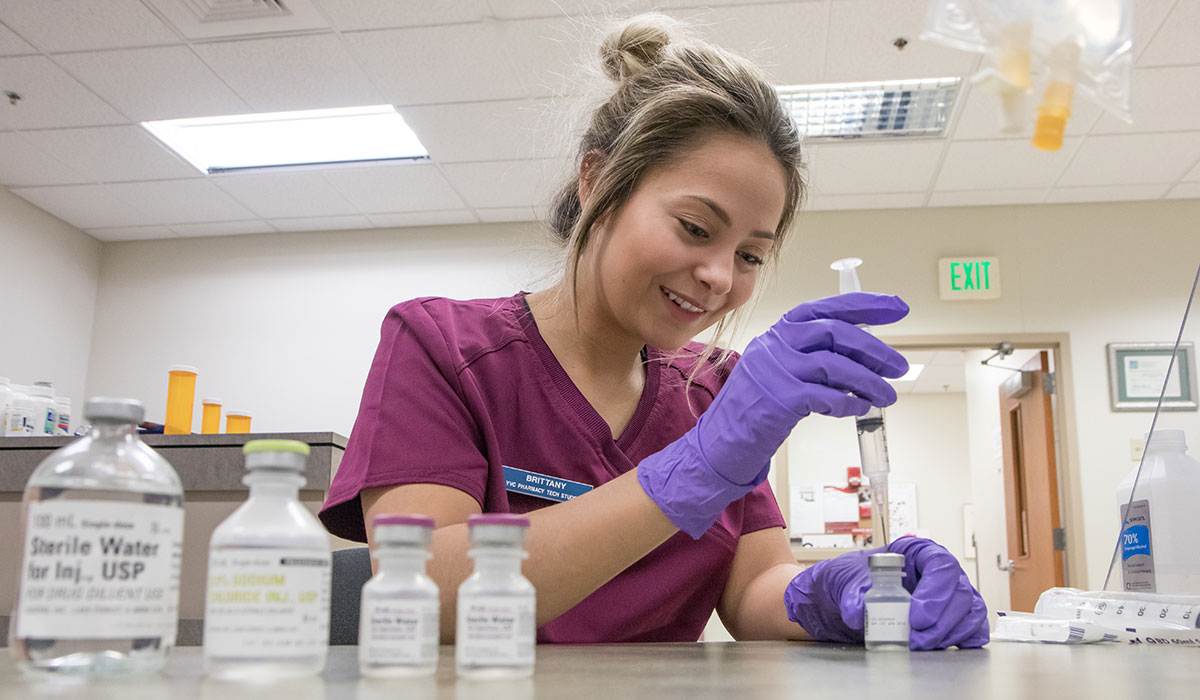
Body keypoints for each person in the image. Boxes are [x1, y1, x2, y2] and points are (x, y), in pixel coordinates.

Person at [319, 14, 989, 651]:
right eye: (696, 228)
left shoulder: (715, 389)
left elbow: (754, 584)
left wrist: (843, 591)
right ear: (597, 180)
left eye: (751, 255)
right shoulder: (441, 345)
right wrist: (692, 468)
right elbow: (425, 592)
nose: (720, 276)